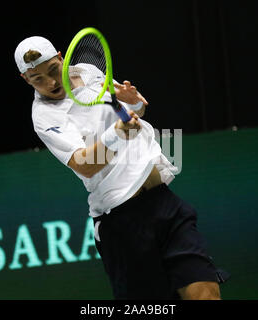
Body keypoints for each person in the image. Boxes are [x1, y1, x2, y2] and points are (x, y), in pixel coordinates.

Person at [14, 36, 229, 299]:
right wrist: (117, 134)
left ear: (61, 57)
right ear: (26, 79)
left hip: (163, 201)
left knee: (207, 294)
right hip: (122, 221)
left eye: (53, 70)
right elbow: (85, 165)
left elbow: (133, 111)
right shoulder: (46, 116)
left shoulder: (89, 71)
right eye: (38, 79)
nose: (51, 82)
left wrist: (134, 102)